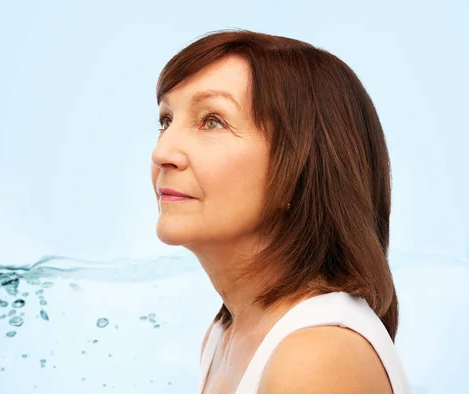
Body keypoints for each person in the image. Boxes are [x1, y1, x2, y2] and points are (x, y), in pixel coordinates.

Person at [150, 29, 412, 393]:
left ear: (302, 166)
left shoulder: (315, 356)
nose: (162, 153)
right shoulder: (225, 335)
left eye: (213, 120)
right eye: (165, 120)